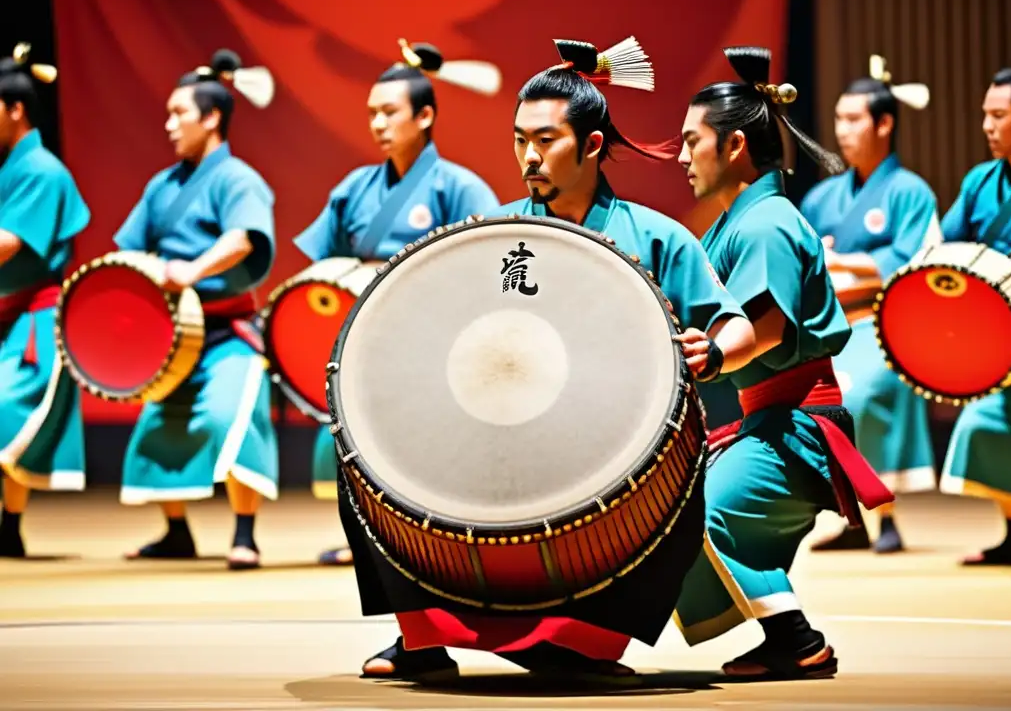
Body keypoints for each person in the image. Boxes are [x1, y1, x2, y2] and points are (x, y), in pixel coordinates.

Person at [354, 36, 757, 683]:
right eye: (520, 140)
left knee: (671, 511)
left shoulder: (654, 236)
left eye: (545, 140)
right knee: (366, 456)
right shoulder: (495, 232)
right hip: (502, 427)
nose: (529, 156)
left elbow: (734, 323)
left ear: (592, 145)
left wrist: (712, 351)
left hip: (623, 447)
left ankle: (578, 642)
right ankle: (422, 636)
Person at [673, 46, 894, 680]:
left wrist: (713, 353)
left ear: (736, 145)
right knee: (673, 513)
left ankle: (796, 640)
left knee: (698, 511)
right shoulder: (734, 223)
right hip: (769, 419)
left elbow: (764, 328)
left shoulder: (765, 222)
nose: (683, 157)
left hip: (796, 425)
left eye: (693, 142)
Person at [293, 39, 501, 567]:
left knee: (426, 445)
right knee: (361, 439)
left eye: (389, 112)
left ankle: (433, 538)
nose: (378, 124)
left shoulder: (459, 186)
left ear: (425, 115)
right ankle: (367, 536)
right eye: (371, 114)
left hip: (435, 341)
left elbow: (484, 265)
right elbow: (318, 261)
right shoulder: (355, 188)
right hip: (366, 340)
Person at [115, 49, 279, 570]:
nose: (168, 125)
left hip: (227, 331)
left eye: (178, 113)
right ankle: (177, 532)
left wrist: (191, 270)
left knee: (227, 417)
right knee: (155, 428)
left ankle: (245, 534)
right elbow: (129, 248)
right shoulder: (161, 187)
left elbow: (243, 239)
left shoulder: (238, 180)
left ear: (211, 118)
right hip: (172, 334)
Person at [801, 56, 940, 554]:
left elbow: (915, 260)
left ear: (885, 123)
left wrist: (852, 261)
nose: (843, 130)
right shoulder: (821, 197)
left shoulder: (910, 192)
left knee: (861, 396)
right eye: (839, 118)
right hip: (832, 325)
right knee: (822, 405)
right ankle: (850, 515)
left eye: (855, 118)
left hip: (886, 327)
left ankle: (891, 513)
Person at [0, 43, 90, 558]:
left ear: (16, 108)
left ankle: (10, 524)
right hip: (9, 315)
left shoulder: (40, 170)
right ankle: (10, 526)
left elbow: (9, 243)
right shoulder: (13, 166)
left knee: (9, 411)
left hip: (33, 320)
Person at [938, 58, 1011, 566]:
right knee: (984, 425)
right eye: (985, 115)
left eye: (999, 116)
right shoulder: (978, 181)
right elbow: (948, 245)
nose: (988, 126)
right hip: (997, 327)